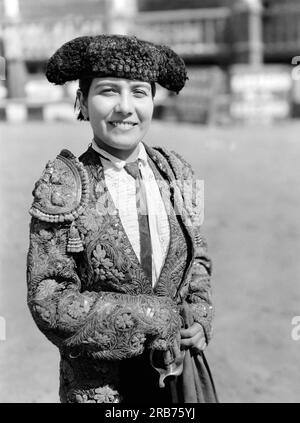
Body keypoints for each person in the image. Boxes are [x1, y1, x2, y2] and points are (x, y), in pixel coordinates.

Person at [27, 34, 218, 404]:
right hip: (102, 386)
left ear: (153, 101)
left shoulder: (180, 171)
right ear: (81, 101)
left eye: (139, 93)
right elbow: (48, 300)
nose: (125, 108)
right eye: (109, 91)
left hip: (179, 377)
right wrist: (153, 317)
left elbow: (199, 260)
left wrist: (199, 314)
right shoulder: (61, 182)